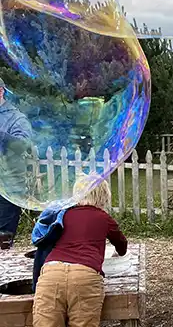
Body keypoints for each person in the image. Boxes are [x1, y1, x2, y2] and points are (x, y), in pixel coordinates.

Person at [32, 177, 128, 327]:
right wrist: (120, 252)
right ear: (104, 198)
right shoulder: (104, 218)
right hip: (85, 275)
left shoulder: (63, 215)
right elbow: (121, 244)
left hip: (51, 273)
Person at [0, 76, 32, 247]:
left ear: (1, 91)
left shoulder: (16, 118)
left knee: (2, 242)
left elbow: (23, 146)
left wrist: (2, 136)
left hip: (9, 189)